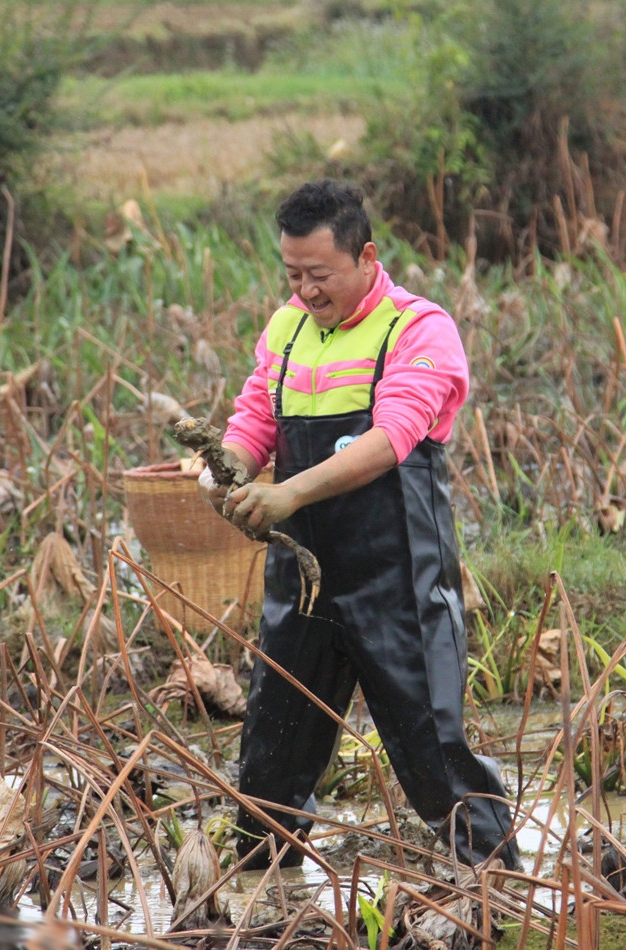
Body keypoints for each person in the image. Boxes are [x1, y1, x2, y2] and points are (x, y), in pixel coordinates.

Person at [199, 179, 522, 873]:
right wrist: (222, 469)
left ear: (366, 257)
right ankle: (261, 908)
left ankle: (504, 897)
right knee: (269, 763)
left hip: (396, 579)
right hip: (303, 585)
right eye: (293, 274)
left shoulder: (418, 328)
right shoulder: (286, 328)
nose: (306, 291)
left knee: (435, 753)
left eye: (320, 275)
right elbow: (254, 419)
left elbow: (391, 438)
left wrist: (285, 495)